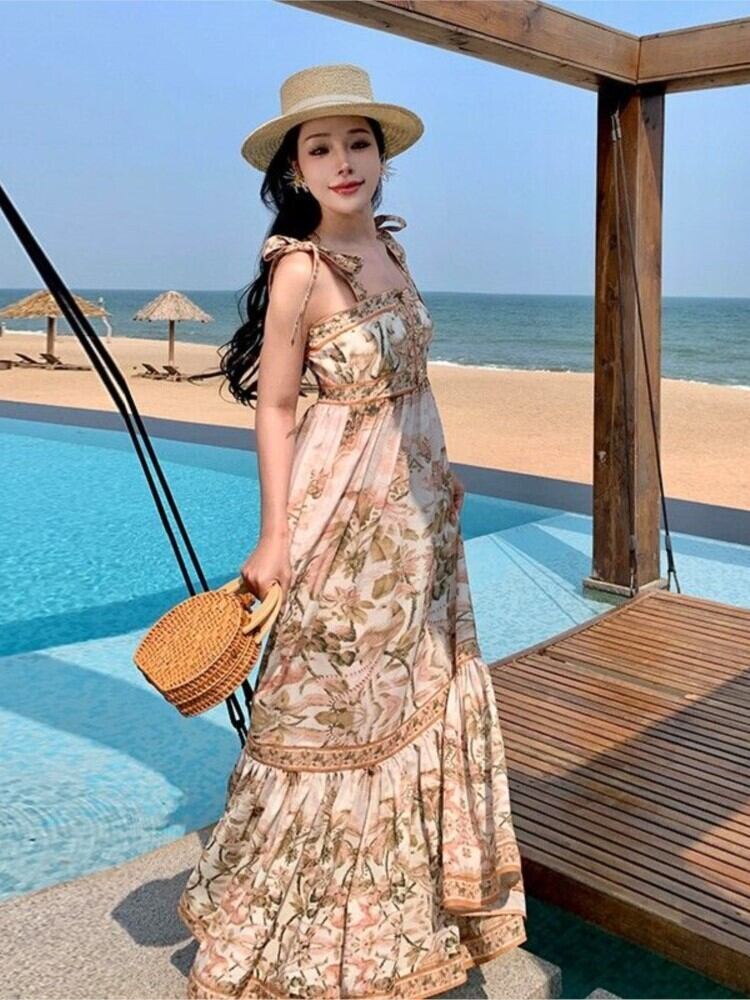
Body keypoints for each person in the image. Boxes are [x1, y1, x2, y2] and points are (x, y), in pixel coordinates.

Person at [177, 63, 527, 999]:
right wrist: (273, 537)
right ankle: (301, 928)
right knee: (329, 714)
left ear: (381, 157)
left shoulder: (391, 249)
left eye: (358, 143)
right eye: (321, 147)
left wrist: (442, 479)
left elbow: (414, 388)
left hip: (417, 530)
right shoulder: (300, 269)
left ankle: (397, 919)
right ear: (294, 168)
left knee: (409, 702)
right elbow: (275, 407)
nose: (343, 162)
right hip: (338, 523)